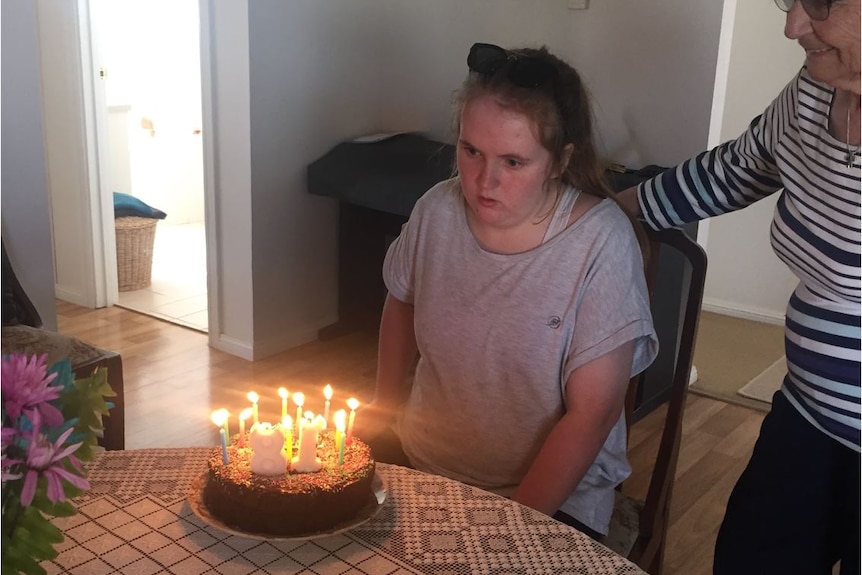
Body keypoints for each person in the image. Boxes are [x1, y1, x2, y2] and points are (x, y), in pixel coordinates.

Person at [357, 42, 658, 539]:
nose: (483, 180)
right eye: (471, 150)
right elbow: (402, 301)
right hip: (424, 462)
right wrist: (381, 413)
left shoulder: (600, 243)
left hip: (551, 494)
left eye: (514, 162)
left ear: (560, 161)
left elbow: (593, 414)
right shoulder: (437, 210)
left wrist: (506, 529)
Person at [615, 1, 860, 573]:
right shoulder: (816, 89)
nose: (793, 26)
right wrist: (607, 212)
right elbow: (740, 167)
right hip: (808, 412)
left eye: (821, 2)